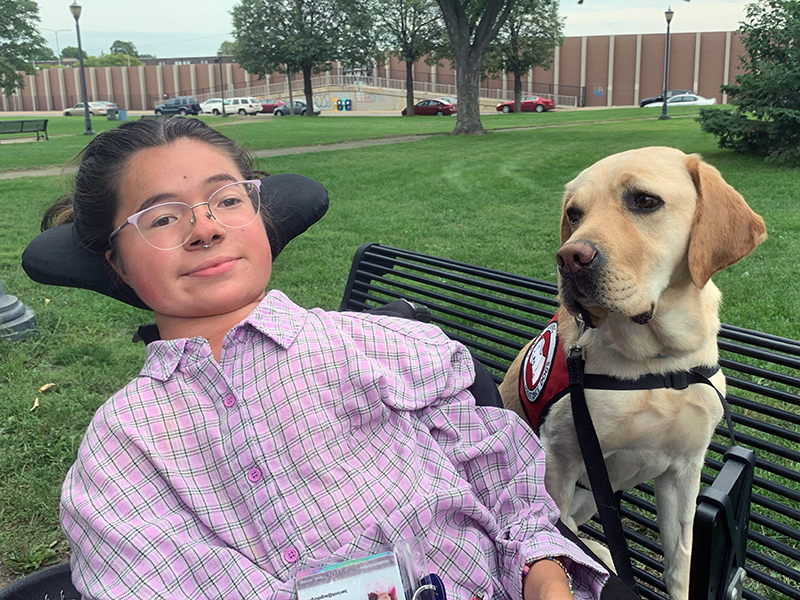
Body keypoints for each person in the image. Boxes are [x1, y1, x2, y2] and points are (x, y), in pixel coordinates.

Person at [49, 118, 610, 600]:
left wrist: (543, 571)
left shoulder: (391, 345)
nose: (206, 227)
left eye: (227, 199)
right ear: (116, 263)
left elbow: (507, 484)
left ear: (259, 216)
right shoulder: (122, 449)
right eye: (163, 218)